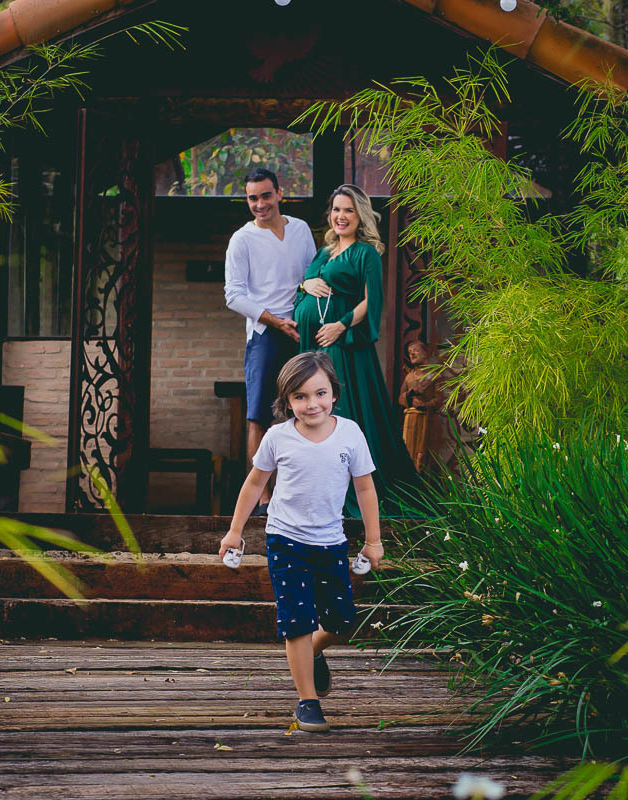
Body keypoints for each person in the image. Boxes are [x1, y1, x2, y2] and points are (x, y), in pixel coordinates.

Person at [218, 352, 383, 733]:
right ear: (287, 401)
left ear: (334, 393)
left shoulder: (350, 434)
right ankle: (307, 701)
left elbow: (365, 488)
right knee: (297, 622)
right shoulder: (278, 437)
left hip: (331, 542)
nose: (312, 404)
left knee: (341, 620)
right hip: (286, 540)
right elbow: (255, 483)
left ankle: (311, 653)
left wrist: (373, 541)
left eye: (320, 393)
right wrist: (235, 531)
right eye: (301, 397)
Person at [294, 184, 416, 516]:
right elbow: (304, 288)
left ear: (360, 214)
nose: (341, 216)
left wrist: (341, 324)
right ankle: (317, 491)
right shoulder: (324, 251)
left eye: (348, 210)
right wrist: (304, 285)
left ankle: (351, 493)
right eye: (336, 209)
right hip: (312, 349)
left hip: (343, 345)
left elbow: (371, 301)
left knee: (343, 412)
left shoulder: (366, 252)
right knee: (314, 416)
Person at [224, 168, 317, 514]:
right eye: (253, 198)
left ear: (280, 193)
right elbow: (233, 296)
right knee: (259, 417)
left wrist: (305, 320)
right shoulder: (242, 239)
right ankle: (263, 499)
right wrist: (277, 322)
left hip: (301, 331)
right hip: (265, 334)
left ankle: (301, 494)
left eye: (265, 195)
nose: (260, 204)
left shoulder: (301, 230)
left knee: (308, 413)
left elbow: (311, 278)